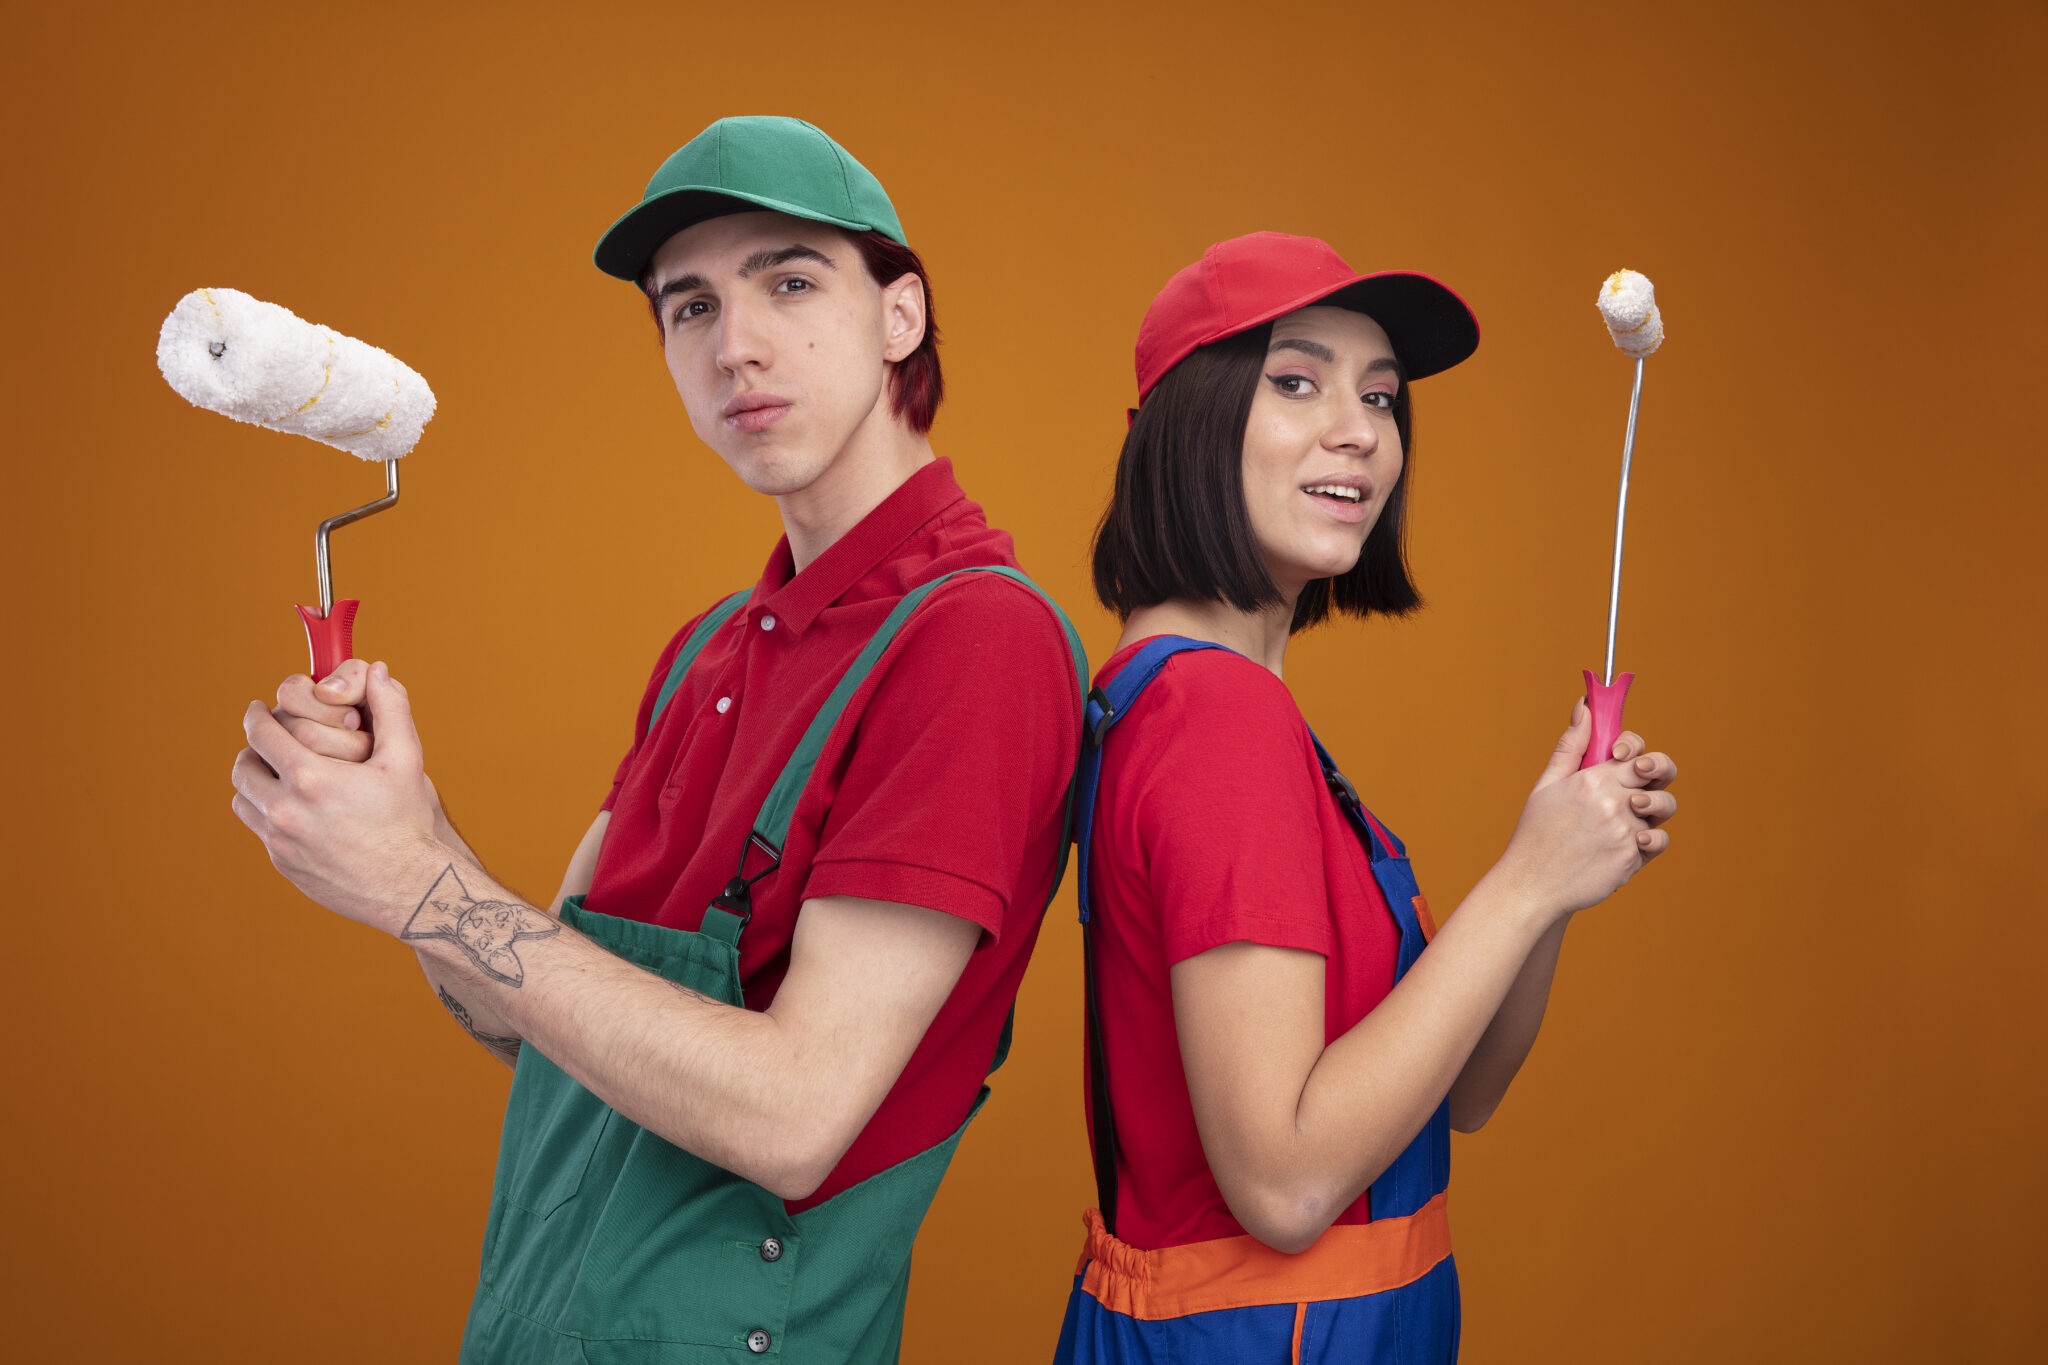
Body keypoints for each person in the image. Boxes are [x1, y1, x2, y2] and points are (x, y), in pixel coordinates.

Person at [230, 115, 1087, 1363]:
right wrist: (405, 835)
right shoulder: (711, 651)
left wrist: (419, 884)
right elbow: (523, 1015)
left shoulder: (975, 644)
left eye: (789, 281)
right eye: (689, 309)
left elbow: (800, 1112)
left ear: (899, 315)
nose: (735, 348)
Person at [1052, 232, 1679, 1363]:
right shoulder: (1215, 721)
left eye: (1380, 398)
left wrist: (1544, 884)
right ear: (1184, 427)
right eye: (1294, 381)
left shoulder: (1195, 706)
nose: (1360, 430)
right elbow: (1285, 1184)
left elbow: (1463, 1089)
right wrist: (1524, 880)